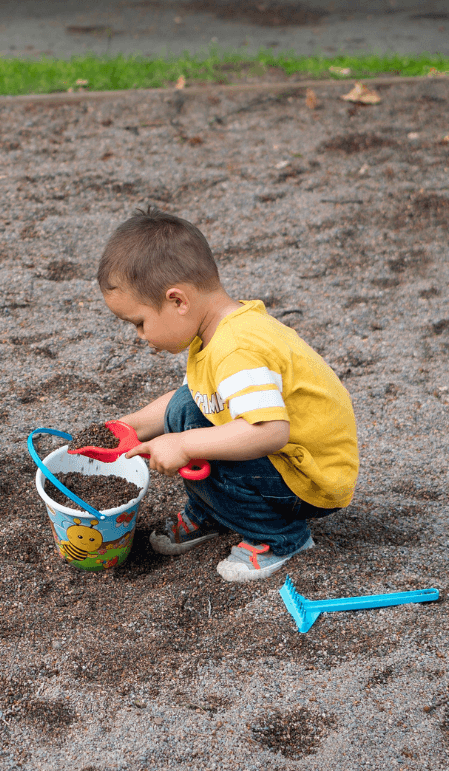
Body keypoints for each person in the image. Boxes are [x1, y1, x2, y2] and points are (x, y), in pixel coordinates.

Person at [97, 207, 358, 582]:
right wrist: (127, 427)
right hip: (287, 458)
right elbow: (188, 400)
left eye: (139, 322)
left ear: (177, 301)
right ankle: (214, 512)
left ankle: (280, 537)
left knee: (201, 441)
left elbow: (269, 432)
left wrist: (184, 444)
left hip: (310, 478)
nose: (139, 335)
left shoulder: (237, 349)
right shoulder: (219, 330)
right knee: (188, 409)